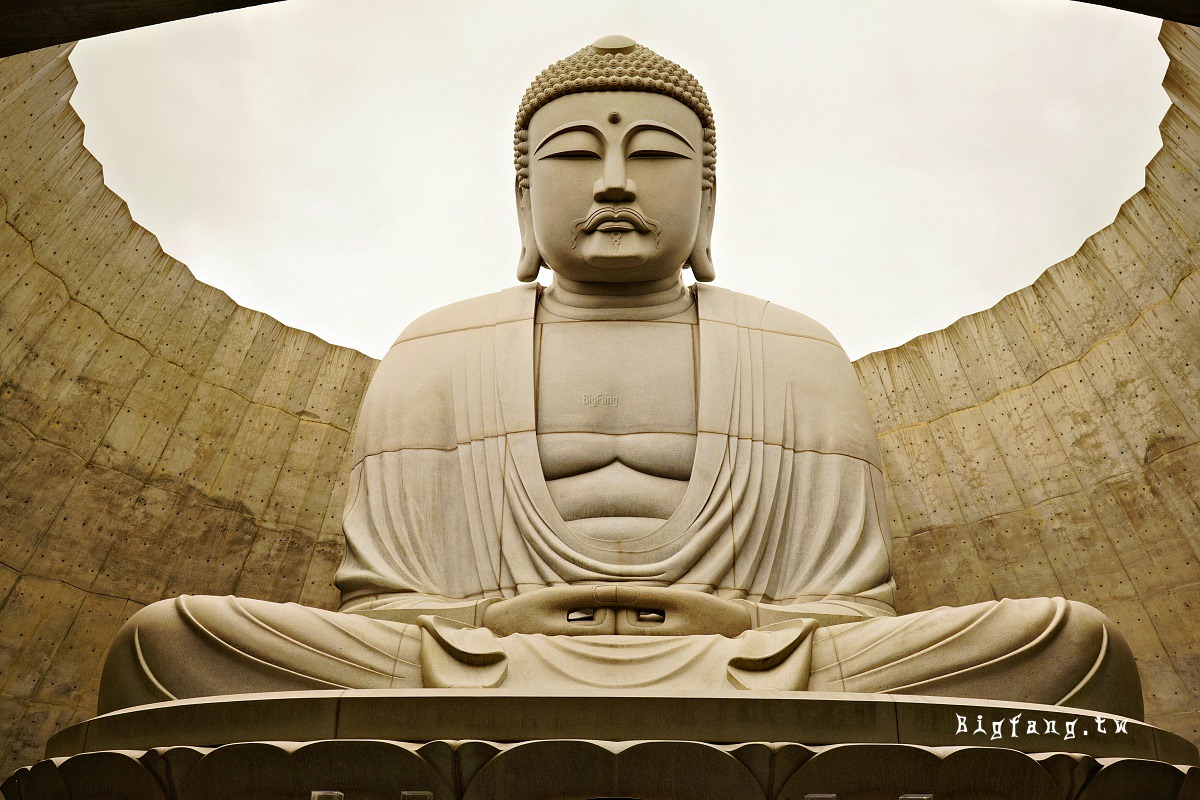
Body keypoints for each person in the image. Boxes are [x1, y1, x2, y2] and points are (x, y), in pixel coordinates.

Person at [98, 36, 1143, 718]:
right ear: (521, 197)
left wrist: (736, 630)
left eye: (650, 157)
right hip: (473, 673)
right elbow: (389, 609)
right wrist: (491, 631)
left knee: (1060, 645)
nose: (609, 180)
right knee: (176, 641)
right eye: (570, 159)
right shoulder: (437, 346)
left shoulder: (795, 350)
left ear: (707, 198)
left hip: (759, 675)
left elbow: (844, 612)